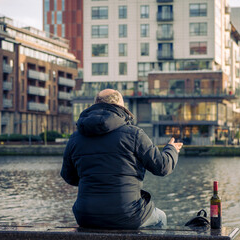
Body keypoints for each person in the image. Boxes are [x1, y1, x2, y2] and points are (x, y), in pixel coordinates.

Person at [61, 89, 183, 229]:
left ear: (95, 104)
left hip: (86, 215)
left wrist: (92, 178)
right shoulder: (134, 134)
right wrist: (171, 149)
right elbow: (162, 167)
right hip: (127, 215)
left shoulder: (76, 138)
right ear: (121, 106)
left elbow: (68, 176)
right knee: (161, 217)